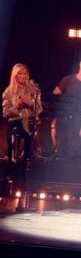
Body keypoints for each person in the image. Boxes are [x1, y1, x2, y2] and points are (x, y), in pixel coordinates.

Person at [2, 63, 42, 200]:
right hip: (15, 124)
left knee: (28, 158)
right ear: (15, 75)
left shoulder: (33, 89)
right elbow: (5, 113)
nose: (23, 76)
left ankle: (25, 191)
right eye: (20, 73)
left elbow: (40, 109)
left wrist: (31, 104)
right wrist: (17, 106)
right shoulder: (9, 91)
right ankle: (7, 191)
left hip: (29, 124)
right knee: (13, 159)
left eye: (25, 73)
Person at [52, 58, 81, 162]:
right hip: (65, 115)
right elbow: (55, 95)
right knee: (62, 128)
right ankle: (61, 154)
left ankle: (78, 157)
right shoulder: (67, 80)